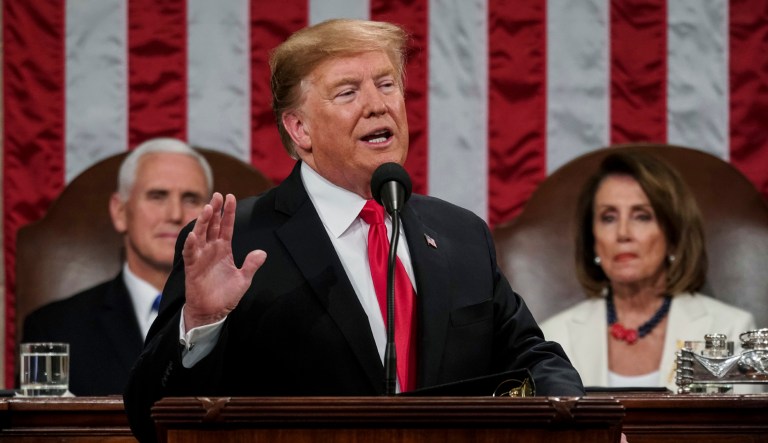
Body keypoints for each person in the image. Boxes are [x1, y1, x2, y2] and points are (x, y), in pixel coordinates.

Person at [123, 19, 584, 441]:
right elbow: (148, 417)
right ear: (299, 129)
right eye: (347, 93)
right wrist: (201, 324)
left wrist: (581, 422)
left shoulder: (461, 234)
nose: (377, 105)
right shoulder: (238, 243)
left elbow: (532, 358)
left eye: (386, 85)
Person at [540, 149, 755, 392]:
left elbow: (738, 417)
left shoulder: (731, 331)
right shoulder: (553, 337)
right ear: (593, 240)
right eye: (608, 218)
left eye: (642, 216)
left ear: (673, 235)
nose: (623, 233)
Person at [23, 138, 212, 395]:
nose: (175, 214)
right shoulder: (54, 329)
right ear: (120, 211)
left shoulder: (248, 323)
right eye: (157, 196)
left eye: (191, 199)